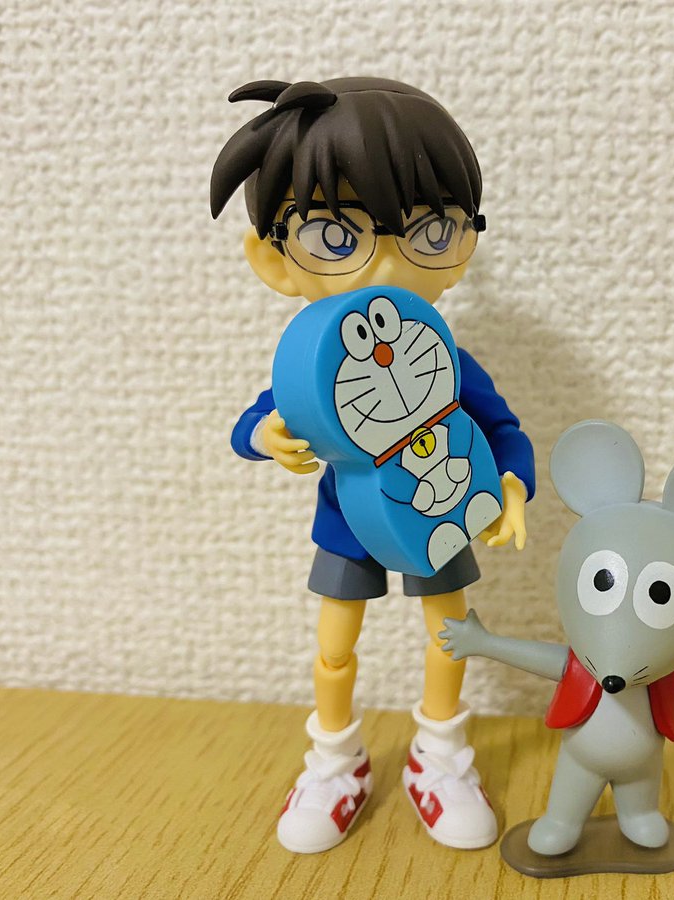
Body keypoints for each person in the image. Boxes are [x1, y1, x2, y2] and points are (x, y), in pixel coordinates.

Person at [211, 77, 535, 854]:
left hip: (439, 505)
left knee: (451, 634)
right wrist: (268, 437)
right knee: (335, 646)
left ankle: (441, 755)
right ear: (276, 260)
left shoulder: (444, 357)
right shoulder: (317, 364)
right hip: (348, 519)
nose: (387, 265)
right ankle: (334, 760)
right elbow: (254, 420)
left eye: (428, 229)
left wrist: (513, 487)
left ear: (462, 247)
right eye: (336, 234)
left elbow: (500, 427)